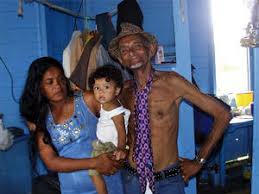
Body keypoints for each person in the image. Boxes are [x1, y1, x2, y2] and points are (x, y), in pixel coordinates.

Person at [108, 22, 232, 194]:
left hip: (168, 180)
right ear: (121, 60)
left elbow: (223, 114)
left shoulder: (172, 82)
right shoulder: (124, 91)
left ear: (150, 50)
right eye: (124, 50)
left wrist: (199, 161)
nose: (131, 53)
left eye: (137, 46)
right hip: (132, 177)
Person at [19, 57, 123, 194]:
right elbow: (51, 161)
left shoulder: (88, 99)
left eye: (61, 79)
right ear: (39, 87)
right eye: (50, 82)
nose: (58, 85)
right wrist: (94, 162)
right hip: (72, 189)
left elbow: (121, 121)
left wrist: (121, 151)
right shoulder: (41, 118)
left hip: (107, 185)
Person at [88, 64, 131, 194]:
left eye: (106, 87)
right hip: (104, 145)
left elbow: (121, 131)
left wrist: (121, 148)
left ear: (117, 91)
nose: (101, 92)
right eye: (97, 88)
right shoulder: (104, 104)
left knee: (93, 172)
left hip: (109, 146)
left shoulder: (115, 110)